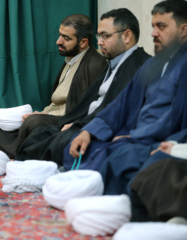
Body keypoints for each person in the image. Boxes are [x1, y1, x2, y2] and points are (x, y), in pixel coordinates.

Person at [65, 0, 187, 182]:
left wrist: (134, 135)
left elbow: (176, 120)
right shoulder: (153, 64)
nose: (153, 33)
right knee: (80, 145)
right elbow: (120, 104)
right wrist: (89, 131)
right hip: (137, 136)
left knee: (122, 158)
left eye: (161, 26)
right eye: (153, 26)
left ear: (183, 30)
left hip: (161, 140)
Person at [16, 8, 150, 165]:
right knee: (40, 134)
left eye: (105, 36)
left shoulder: (137, 66)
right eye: (99, 36)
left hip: (96, 130)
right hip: (85, 123)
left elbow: (114, 110)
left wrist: (82, 126)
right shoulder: (115, 62)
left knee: (51, 141)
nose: (99, 42)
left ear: (127, 36)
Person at [0, 14, 107, 158]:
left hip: (68, 123)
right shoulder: (71, 59)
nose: (58, 41)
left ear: (83, 42)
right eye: (60, 35)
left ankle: (22, 156)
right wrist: (44, 113)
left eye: (66, 38)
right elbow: (57, 103)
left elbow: (82, 109)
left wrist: (46, 115)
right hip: (53, 117)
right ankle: (19, 155)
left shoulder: (94, 65)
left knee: (34, 122)